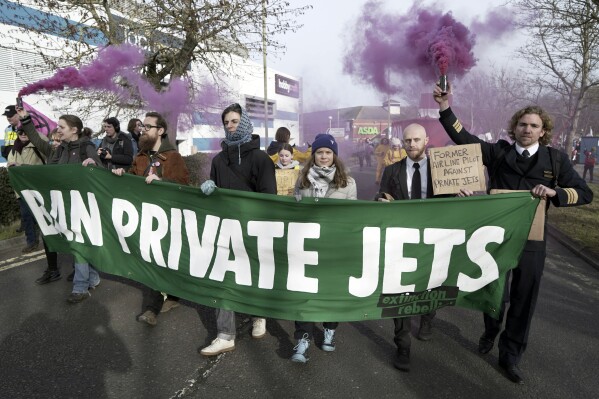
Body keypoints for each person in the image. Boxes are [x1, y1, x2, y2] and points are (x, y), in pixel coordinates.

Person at [433, 82, 593, 384]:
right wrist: (445, 107)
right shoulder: (498, 153)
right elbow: (463, 138)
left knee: (524, 298)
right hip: (495, 239)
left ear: (543, 130)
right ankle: (490, 329)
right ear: (514, 127)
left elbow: (585, 193)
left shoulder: (555, 159)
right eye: (522, 124)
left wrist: (555, 192)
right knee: (496, 293)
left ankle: (510, 355)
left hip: (532, 243)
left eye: (534, 125)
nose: (527, 129)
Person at [375, 123, 466, 372]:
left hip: (434, 239)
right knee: (399, 290)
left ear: (426, 140)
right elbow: (381, 196)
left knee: (433, 283)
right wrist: (381, 201)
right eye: (407, 141)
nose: (412, 144)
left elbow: (451, 200)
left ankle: (428, 317)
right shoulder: (392, 170)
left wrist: (460, 195)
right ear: (402, 143)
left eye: (416, 140)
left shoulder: (443, 169)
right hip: (401, 240)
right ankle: (402, 344)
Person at [199, 103, 276, 356]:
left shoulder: (261, 158)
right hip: (227, 228)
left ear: (243, 123)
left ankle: (258, 315)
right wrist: (209, 189)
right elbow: (216, 194)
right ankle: (225, 334)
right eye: (226, 123)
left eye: (234, 121)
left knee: (253, 276)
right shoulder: (219, 160)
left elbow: (269, 198)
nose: (230, 126)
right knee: (223, 279)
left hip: (253, 229)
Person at [17, 107, 104, 301]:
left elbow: (101, 173)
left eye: (62, 126)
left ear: (74, 129)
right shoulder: (60, 149)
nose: (58, 129)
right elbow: (49, 171)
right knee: (75, 244)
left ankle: (80, 287)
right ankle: (93, 277)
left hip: (83, 205)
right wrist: (24, 170)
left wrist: (95, 165)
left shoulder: (86, 147)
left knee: (78, 243)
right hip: (63, 205)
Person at [113, 111, 190, 326]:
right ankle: (158, 303)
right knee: (152, 260)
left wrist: (162, 180)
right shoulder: (140, 156)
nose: (142, 130)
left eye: (147, 126)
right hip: (145, 218)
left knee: (164, 260)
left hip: (167, 219)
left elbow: (184, 186)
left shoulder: (173, 157)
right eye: (142, 127)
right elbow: (133, 181)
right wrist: (122, 175)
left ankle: (159, 304)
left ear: (160, 131)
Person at [290, 133, 357, 363]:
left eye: (328, 152)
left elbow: (353, 217)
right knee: (304, 294)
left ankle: (329, 329)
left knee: (331, 292)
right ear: (314, 155)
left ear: (334, 155)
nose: (324, 156)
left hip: (334, 247)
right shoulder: (302, 179)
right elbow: (295, 209)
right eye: (320, 152)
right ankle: (303, 339)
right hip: (308, 246)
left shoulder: (348, 182)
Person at [7, 127, 47, 253]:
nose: (23, 134)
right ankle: (31, 242)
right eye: (20, 132)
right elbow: (10, 167)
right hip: (22, 190)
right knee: (26, 216)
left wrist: (22, 167)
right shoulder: (13, 150)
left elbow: (41, 168)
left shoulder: (38, 146)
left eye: (26, 132)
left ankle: (49, 239)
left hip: (37, 188)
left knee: (41, 216)